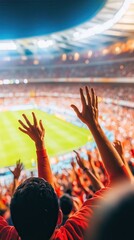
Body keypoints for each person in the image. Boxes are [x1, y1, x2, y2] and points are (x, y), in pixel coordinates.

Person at [0, 87, 131, 240]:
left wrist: (40, 148)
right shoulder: (73, 234)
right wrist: (94, 125)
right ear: (59, 217)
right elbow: (123, 185)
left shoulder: (6, 236)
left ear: (14, 223)